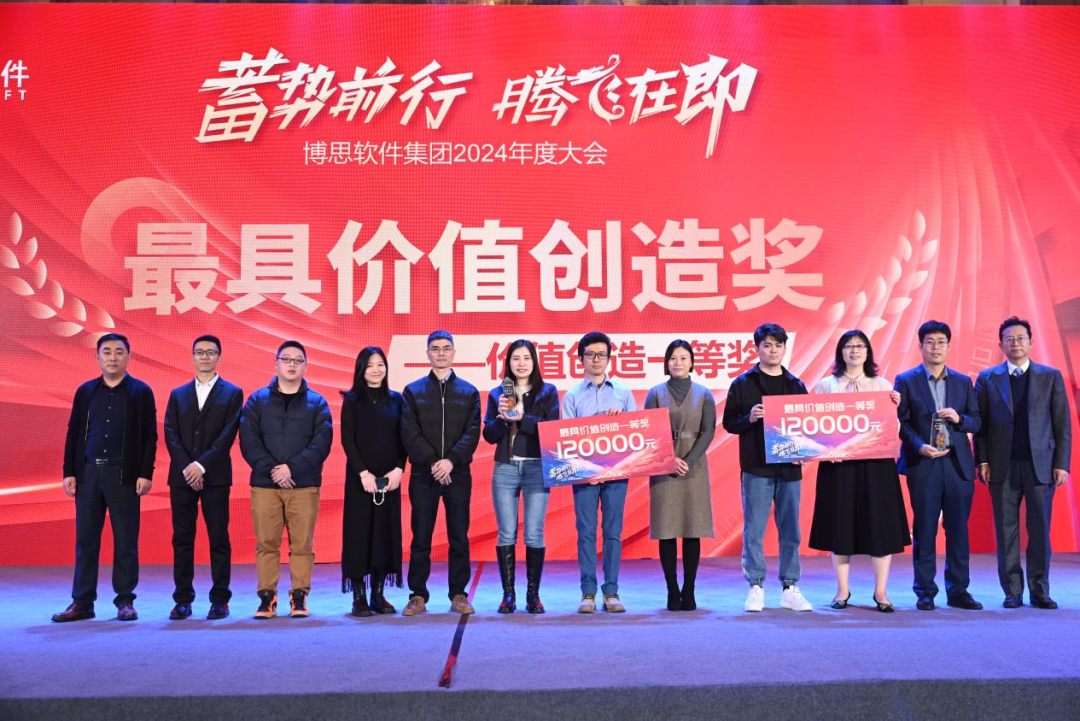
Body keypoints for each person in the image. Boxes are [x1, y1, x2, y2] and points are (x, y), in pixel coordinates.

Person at [53, 333, 156, 623]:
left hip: (124, 475)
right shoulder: (86, 391)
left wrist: (145, 473)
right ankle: (82, 602)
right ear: (97, 357)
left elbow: (150, 436)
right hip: (88, 475)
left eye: (119, 352)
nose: (113, 357)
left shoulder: (140, 392)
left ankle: (125, 601)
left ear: (128, 357)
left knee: (126, 541)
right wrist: (69, 471)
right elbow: (74, 432)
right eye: (107, 352)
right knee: (86, 541)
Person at [809, 330, 910, 612]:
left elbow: (894, 429)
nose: (854, 350)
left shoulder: (882, 385)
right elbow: (813, 426)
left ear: (868, 352)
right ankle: (842, 590)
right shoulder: (826, 385)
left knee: (880, 527)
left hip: (876, 466)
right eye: (849, 346)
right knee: (840, 527)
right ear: (841, 352)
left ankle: (881, 592)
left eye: (860, 346)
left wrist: (895, 409)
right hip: (839, 467)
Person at [975, 316, 1072, 609]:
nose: (1015, 343)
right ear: (1001, 345)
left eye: (1020, 338)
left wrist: (1062, 463)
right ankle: (1012, 591)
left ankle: (1040, 590)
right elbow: (981, 425)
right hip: (1002, 466)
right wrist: (983, 460)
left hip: (1040, 466)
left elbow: (1062, 424)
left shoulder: (1050, 376)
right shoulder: (987, 378)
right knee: (1006, 532)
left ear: (1030, 342)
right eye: (1009, 339)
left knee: (1040, 530)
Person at [722, 323, 813, 613]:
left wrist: (806, 452)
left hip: (789, 469)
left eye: (778, 345)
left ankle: (790, 586)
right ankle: (756, 585)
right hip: (756, 467)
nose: (773, 351)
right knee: (754, 530)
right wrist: (749, 418)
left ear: (785, 348)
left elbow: (807, 427)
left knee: (791, 530)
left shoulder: (796, 385)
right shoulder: (743, 383)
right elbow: (729, 423)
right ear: (757, 348)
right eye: (767, 345)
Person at [239, 340, 332, 619]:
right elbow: (248, 440)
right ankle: (267, 597)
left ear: (305, 365)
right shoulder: (257, 400)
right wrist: (274, 471)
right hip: (265, 485)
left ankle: (299, 596)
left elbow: (322, 443)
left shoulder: (318, 402)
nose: (292, 365)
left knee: (302, 544)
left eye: (298, 360)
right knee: (266, 543)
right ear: (276, 363)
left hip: (303, 485)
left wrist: (291, 469)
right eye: (287, 359)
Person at [894, 321, 982, 611]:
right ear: (920, 346)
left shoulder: (963, 382)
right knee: (925, 529)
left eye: (941, 342)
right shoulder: (905, 380)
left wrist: (960, 419)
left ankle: (958, 591)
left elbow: (977, 421)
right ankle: (925, 591)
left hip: (958, 465)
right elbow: (901, 423)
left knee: (958, 531)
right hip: (924, 463)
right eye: (929, 342)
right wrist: (919, 446)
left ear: (949, 346)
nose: (935, 347)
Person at [401, 331, 482, 616]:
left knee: (459, 536)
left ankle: (459, 594)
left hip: (458, 474)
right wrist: (435, 463)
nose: (441, 353)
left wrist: (451, 462)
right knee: (421, 537)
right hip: (424, 474)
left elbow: (473, 432)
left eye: (446, 348)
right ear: (427, 354)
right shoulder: (413, 391)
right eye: (435, 349)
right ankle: (417, 595)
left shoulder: (469, 392)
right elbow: (409, 432)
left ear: (454, 353)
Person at [163, 334, 243, 620]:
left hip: (216, 476)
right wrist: (188, 467)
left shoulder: (233, 393)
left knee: (218, 538)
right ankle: (182, 600)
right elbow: (170, 432)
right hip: (181, 477)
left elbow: (227, 435)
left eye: (211, 352)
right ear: (192, 357)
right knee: (182, 539)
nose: (205, 357)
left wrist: (201, 466)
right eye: (200, 352)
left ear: (220, 357)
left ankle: (220, 599)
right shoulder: (178, 394)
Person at [482, 339, 560, 614]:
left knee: (534, 532)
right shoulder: (497, 394)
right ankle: (508, 594)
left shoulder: (547, 392)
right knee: (506, 531)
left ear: (534, 361)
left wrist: (522, 418)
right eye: (516, 358)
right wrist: (503, 419)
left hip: (536, 467)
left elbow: (552, 429)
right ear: (508, 363)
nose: (521, 363)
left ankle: (533, 595)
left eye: (526, 358)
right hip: (505, 467)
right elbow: (488, 435)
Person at [563, 331, 637, 614]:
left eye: (602, 354)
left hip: (616, 472)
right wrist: (594, 423)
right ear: (581, 358)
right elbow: (566, 438)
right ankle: (588, 593)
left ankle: (612, 591)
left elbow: (636, 434)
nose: (596, 359)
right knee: (585, 532)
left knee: (613, 532)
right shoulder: (572, 396)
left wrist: (621, 423)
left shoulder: (623, 393)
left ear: (609, 358)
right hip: (584, 474)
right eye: (591, 354)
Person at [645, 340, 716, 611]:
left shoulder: (704, 394)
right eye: (673, 358)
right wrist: (669, 459)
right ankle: (672, 590)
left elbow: (708, 430)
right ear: (666, 362)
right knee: (667, 529)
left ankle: (689, 589)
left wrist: (688, 460)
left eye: (683, 358)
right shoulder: (655, 393)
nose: (678, 363)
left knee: (691, 528)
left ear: (692, 362)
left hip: (694, 465)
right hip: (663, 464)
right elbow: (650, 431)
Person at [339, 346, 407, 617]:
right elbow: (347, 439)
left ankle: (378, 594)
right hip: (361, 480)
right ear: (361, 369)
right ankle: (358, 596)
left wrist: (399, 469)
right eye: (370, 365)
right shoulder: (352, 400)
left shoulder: (397, 400)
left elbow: (404, 439)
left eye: (380, 364)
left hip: (390, 479)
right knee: (359, 534)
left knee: (384, 533)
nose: (376, 370)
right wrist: (363, 474)